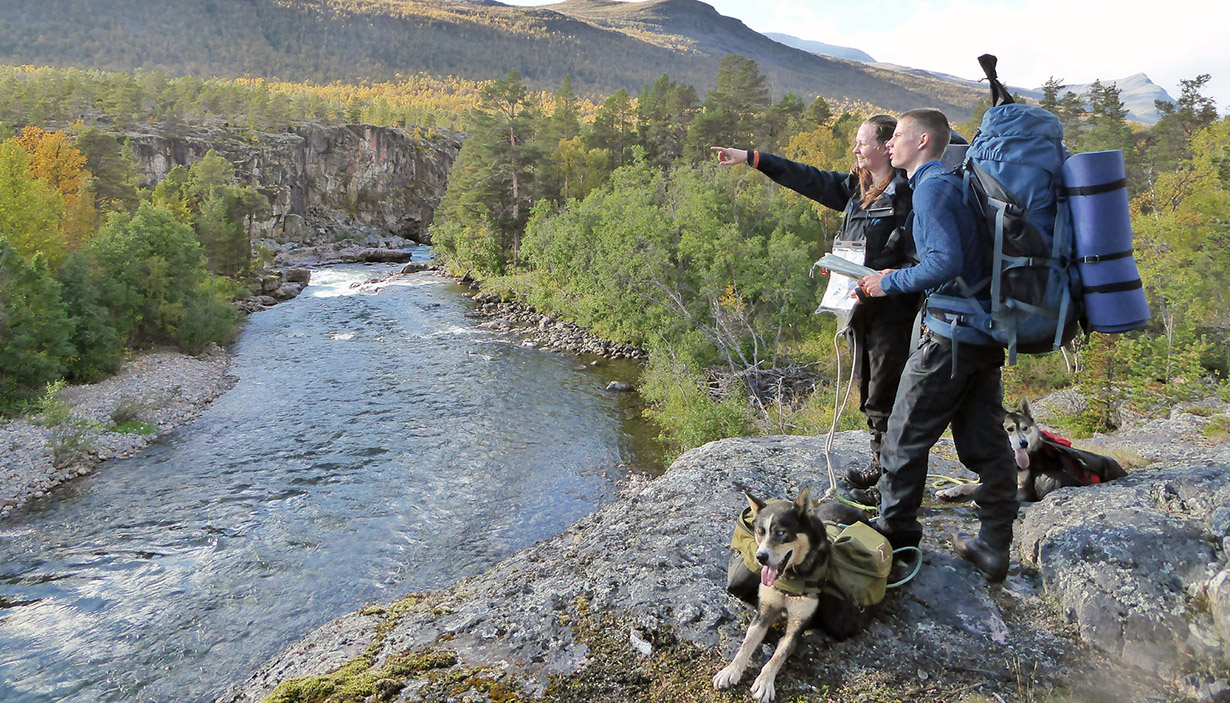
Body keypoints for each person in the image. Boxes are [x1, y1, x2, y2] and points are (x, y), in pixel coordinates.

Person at [711, 116, 922, 494]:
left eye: (862, 142)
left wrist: (888, 277)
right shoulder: (857, 188)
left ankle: (892, 479)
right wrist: (754, 158)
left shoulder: (910, 194)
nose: (856, 149)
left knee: (888, 388)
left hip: (896, 309)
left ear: (885, 146)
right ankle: (881, 461)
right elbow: (806, 177)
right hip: (859, 307)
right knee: (870, 383)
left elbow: (923, 259)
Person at [857, 108, 1019, 582]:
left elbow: (944, 261)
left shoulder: (930, 187)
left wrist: (890, 282)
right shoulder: (952, 183)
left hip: (947, 338)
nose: (889, 145)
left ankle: (895, 542)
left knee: (903, 438)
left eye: (898, 137)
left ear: (924, 141)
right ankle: (993, 544)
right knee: (986, 443)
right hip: (981, 334)